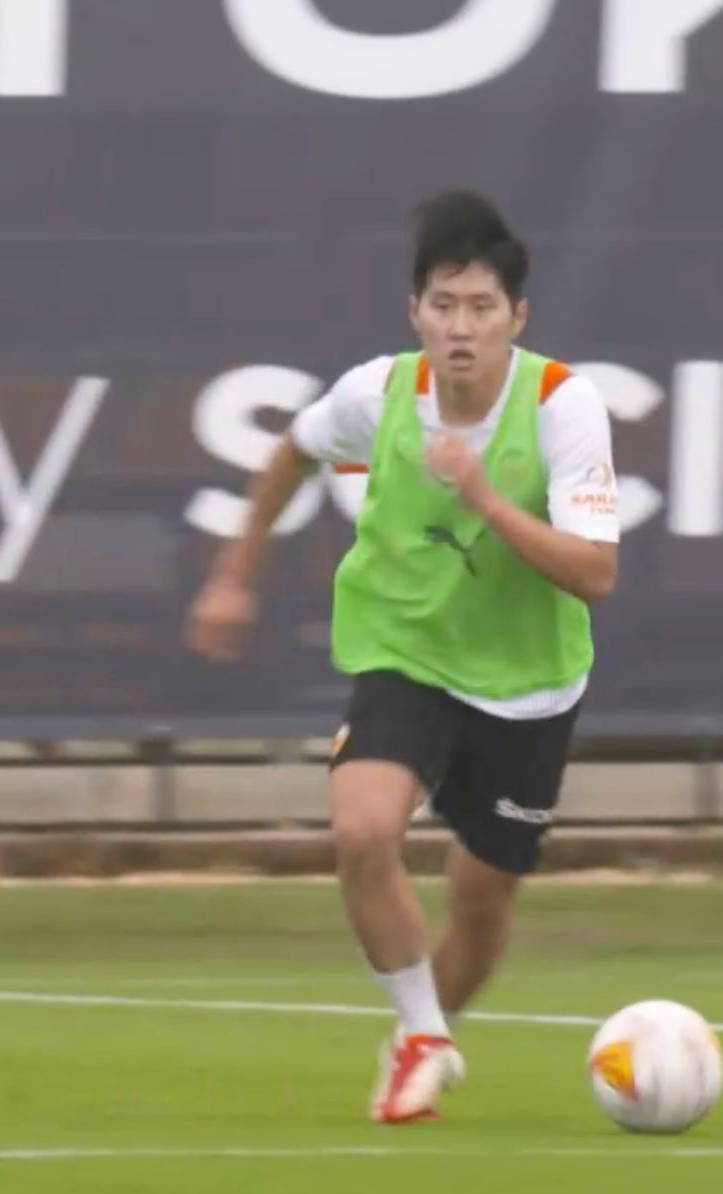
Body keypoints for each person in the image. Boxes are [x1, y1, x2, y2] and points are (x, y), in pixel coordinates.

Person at [184, 189, 621, 1124]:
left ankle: (424, 1033)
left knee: (484, 897)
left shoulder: (561, 405)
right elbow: (291, 454)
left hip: (530, 687)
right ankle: (422, 1035)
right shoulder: (377, 394)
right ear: (414, 310)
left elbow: (594, 573)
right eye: (443, 305)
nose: (461, 328)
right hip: (406, 653)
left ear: (518, 317)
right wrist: (234, 575)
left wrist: (488, 500)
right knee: (362, 832)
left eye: (482, 308)